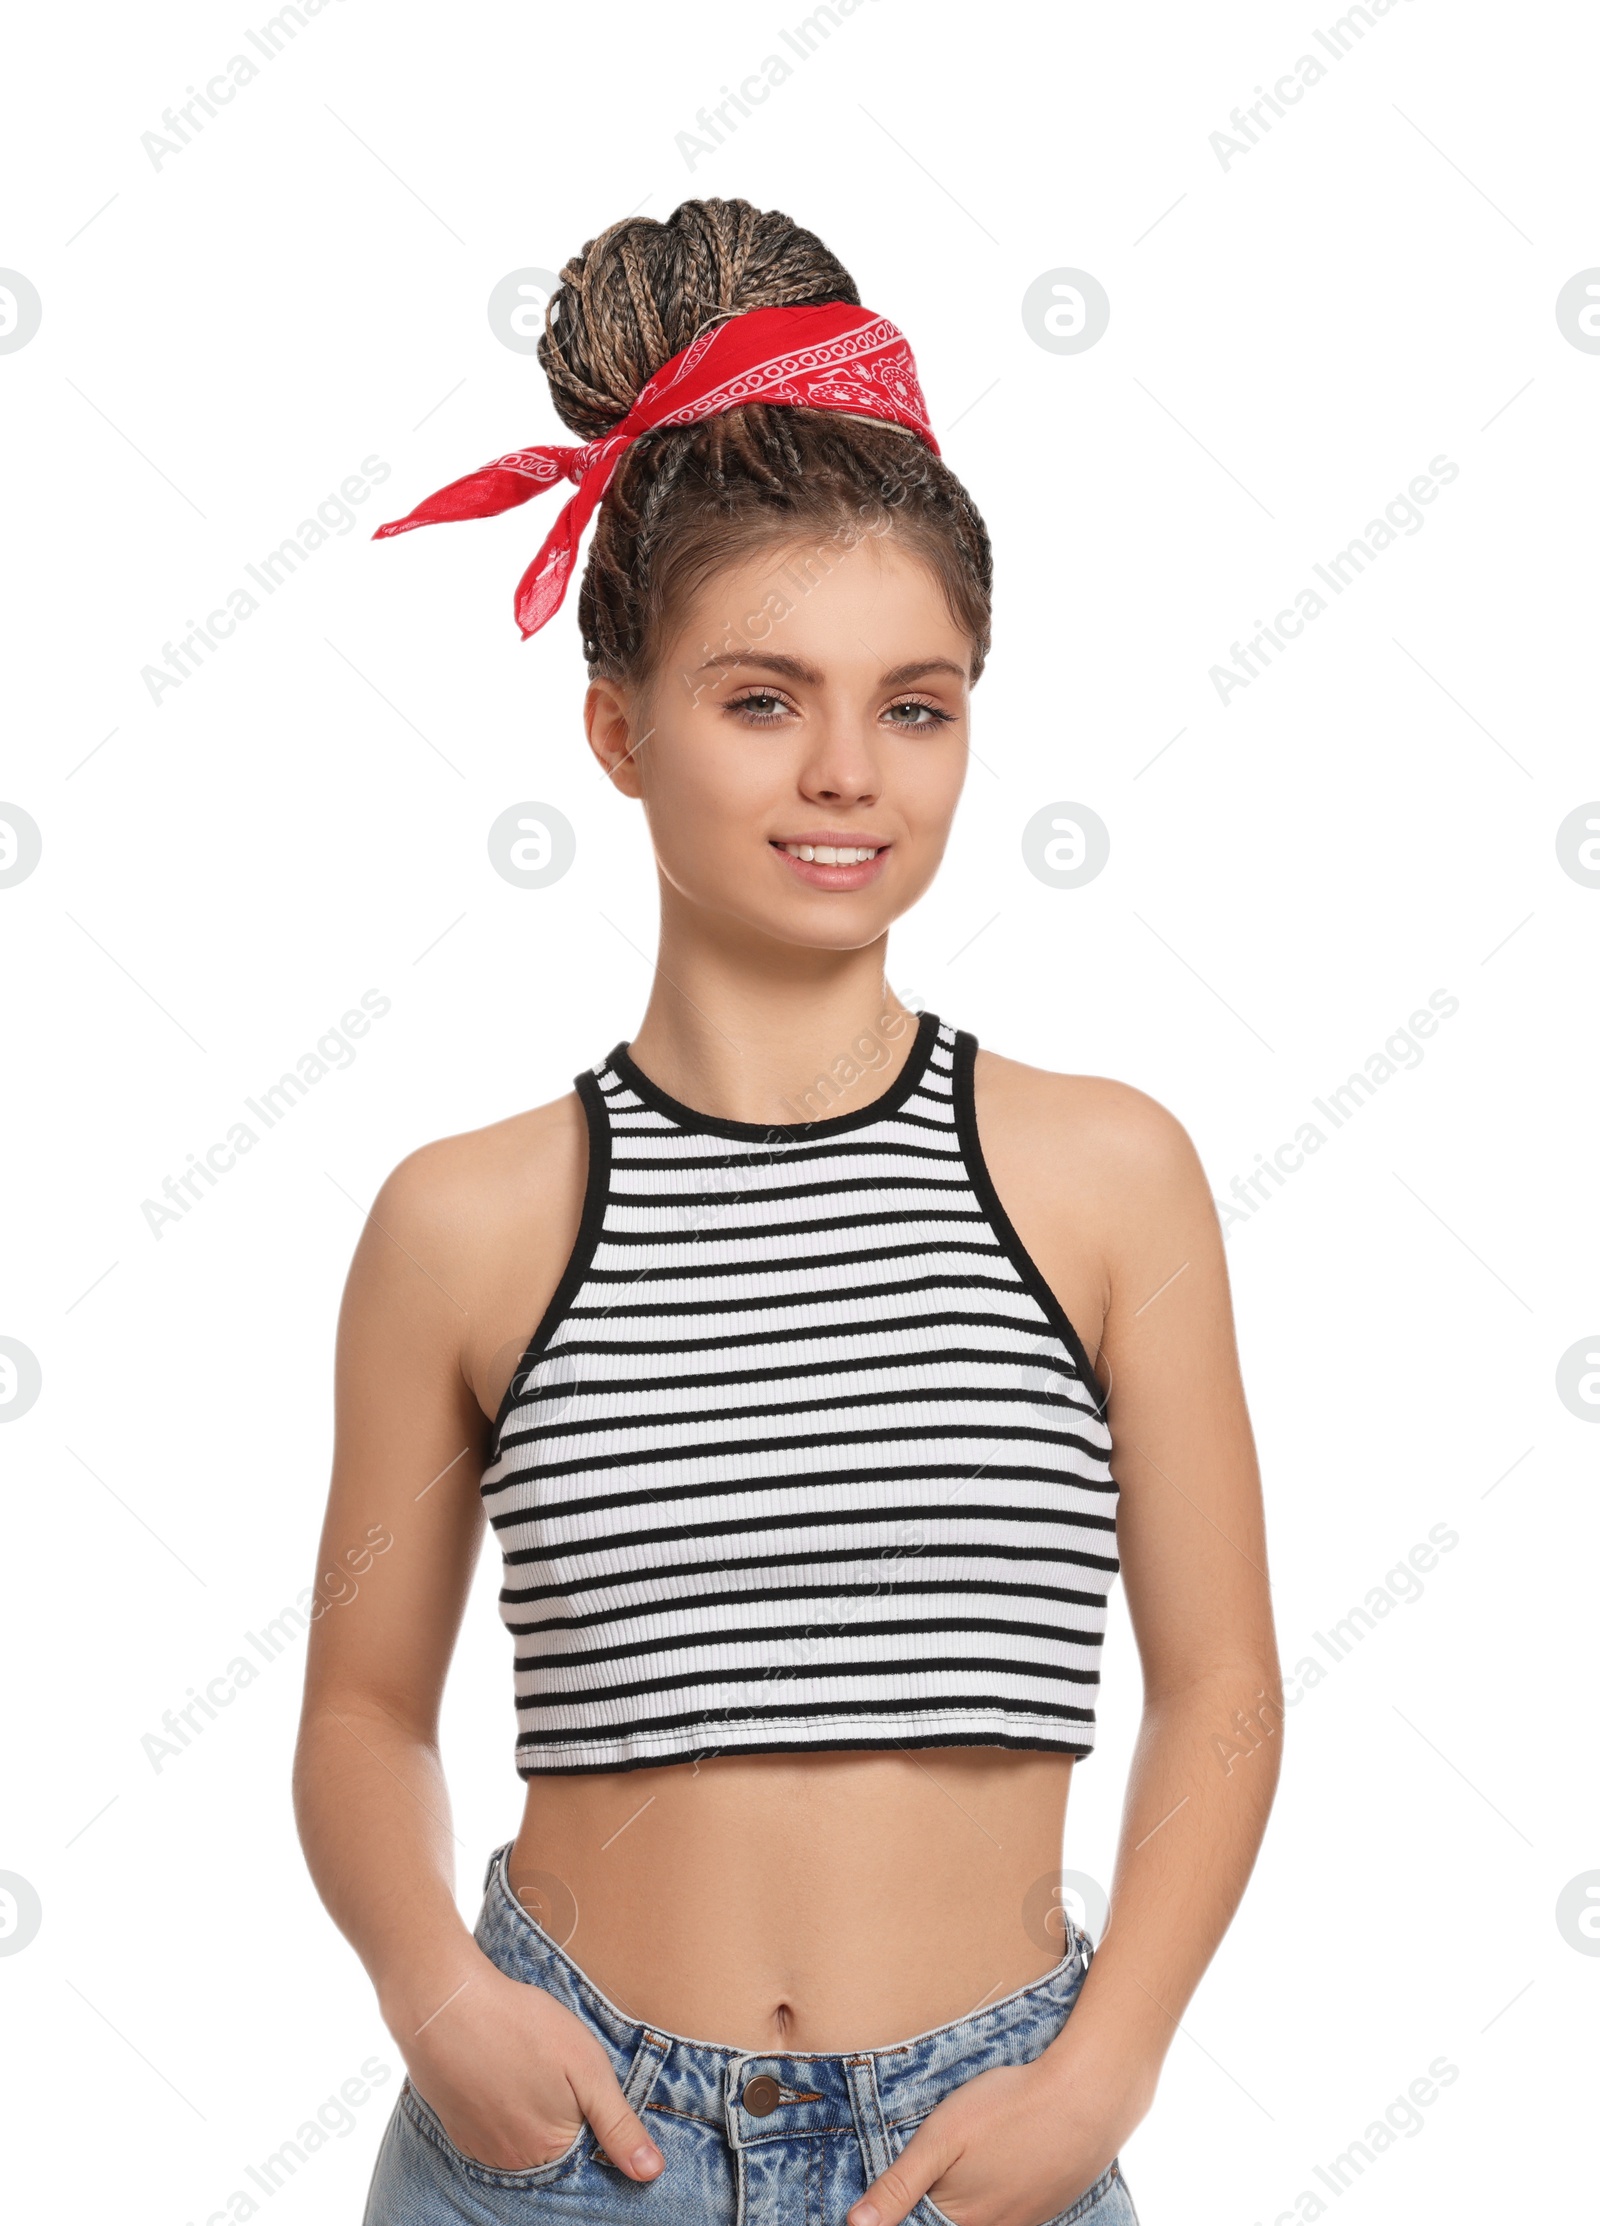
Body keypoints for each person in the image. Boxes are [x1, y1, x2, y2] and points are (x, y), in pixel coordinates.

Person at [293, 195, 1281, 2226]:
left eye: (912, 704)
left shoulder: (1097, 1177)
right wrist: (428, 1991)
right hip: (558, 2151)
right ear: (617, 724)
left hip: (976, 2146)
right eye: (761, 699)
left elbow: (1221, 1687)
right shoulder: (467, 1222)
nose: (847, 773)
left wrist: (1102, 2075)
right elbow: (360, 1709)